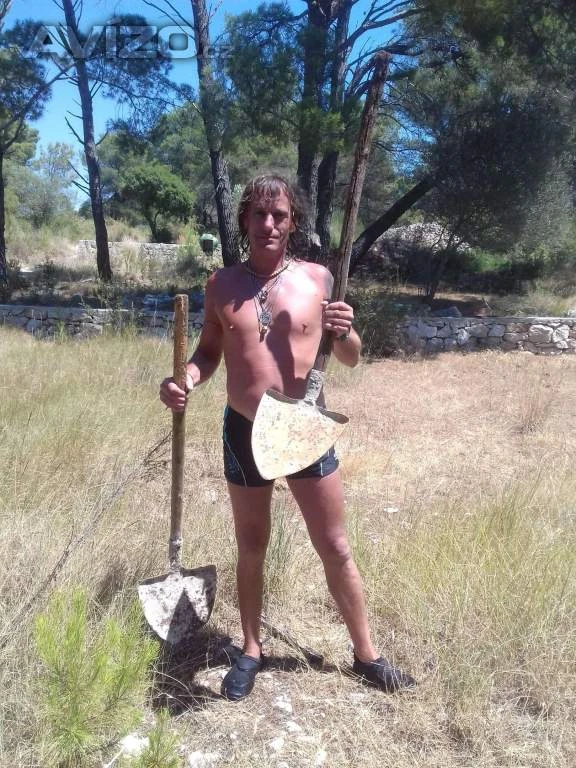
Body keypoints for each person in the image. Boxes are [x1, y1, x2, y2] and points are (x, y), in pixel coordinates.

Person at [160, 174, 415, 701]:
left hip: (304, 426)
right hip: (243, 429)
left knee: (335, 546)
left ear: (292, 221)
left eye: (279, 215)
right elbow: (208, 353)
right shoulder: (221, 284)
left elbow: (350, 357)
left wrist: (346, 330)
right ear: (245, 220)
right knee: (251, 544)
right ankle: (251, 649)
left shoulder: (318, 278)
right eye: (259, 213)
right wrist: (184, 379)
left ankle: (367, 655)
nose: (269, 224)